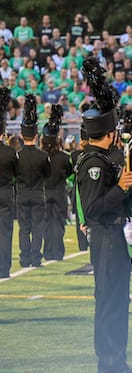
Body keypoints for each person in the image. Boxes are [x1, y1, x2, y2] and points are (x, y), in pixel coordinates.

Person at [76, 56, 132, 373]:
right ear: (108, 134)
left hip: (115, 237)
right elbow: (92, 208)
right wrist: (120, 188)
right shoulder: (93, 164)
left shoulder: (103, 159)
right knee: (109, 301)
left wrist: (125, 189)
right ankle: (108, 364)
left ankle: (118, 361)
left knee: (118, 300)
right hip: (105, 237)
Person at [16, 95, 50, 268]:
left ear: (22, 136)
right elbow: (47, 174)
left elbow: (14, 174)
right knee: (37, 227)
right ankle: (36, 259)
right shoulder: (43, 155)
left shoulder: (18, 155)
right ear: (36, 136)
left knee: (24, 228)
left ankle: (24, 259)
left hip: (22, 195)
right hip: (38, 195)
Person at [41, 105, 72, 261]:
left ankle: (47, 252)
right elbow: (70, 172)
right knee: (59, 224)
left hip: (44, 192)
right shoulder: (65, 157)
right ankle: (58, 252)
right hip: (59, 192)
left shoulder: (40, 156)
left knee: (46, 223)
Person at [0, 86, 18, 278]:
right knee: (5, 232)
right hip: (6, 192)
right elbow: (16, 173)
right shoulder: (10, 152)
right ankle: (4, 269)